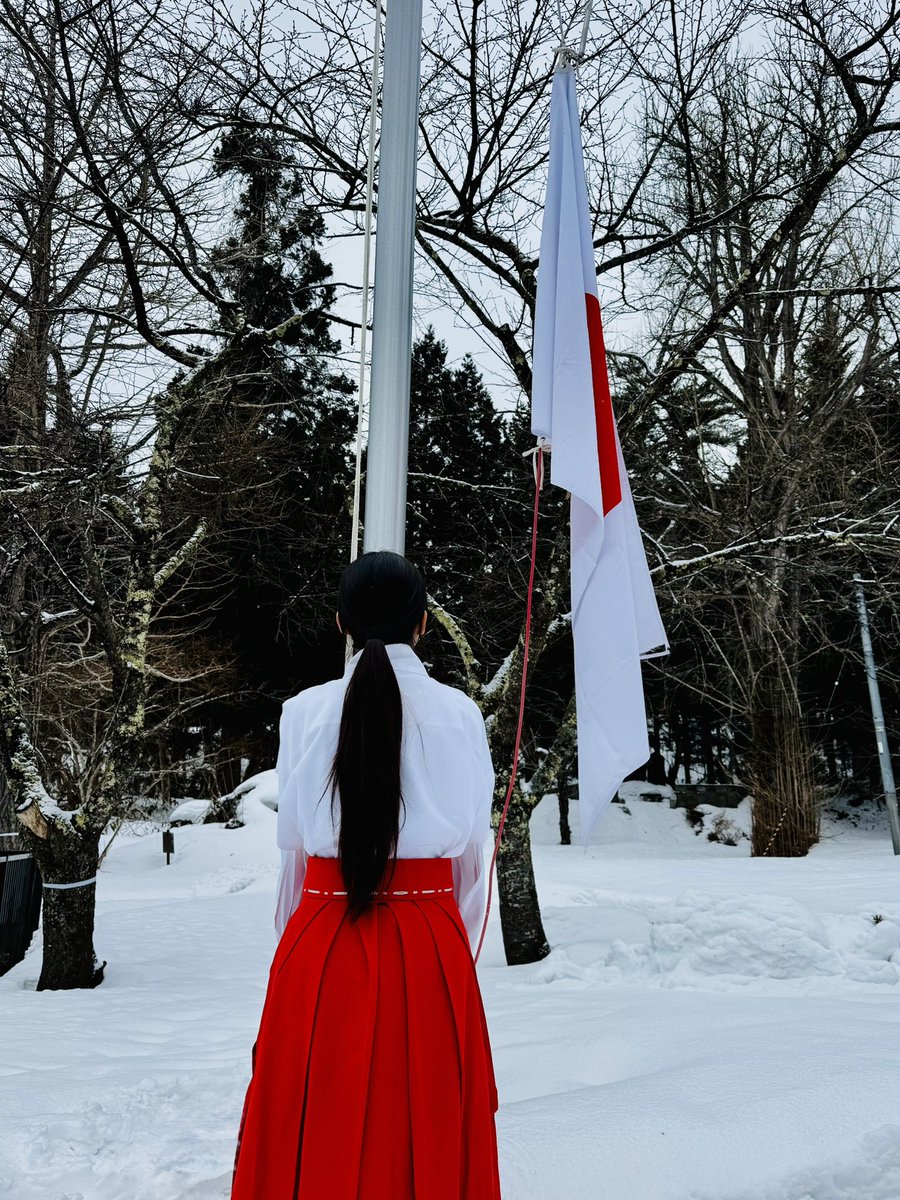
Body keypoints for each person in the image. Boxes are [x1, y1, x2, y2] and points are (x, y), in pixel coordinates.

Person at [231, 550, 502, 1200]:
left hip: (320, 941)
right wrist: (447, 952)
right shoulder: (460, 714)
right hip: (431, 942)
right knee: (428, 1123)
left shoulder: (303, 712)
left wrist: (299, 953)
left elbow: (294, 854)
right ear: (424, 624)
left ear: (340, 623)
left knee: (311, 1123)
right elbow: (471, 859)